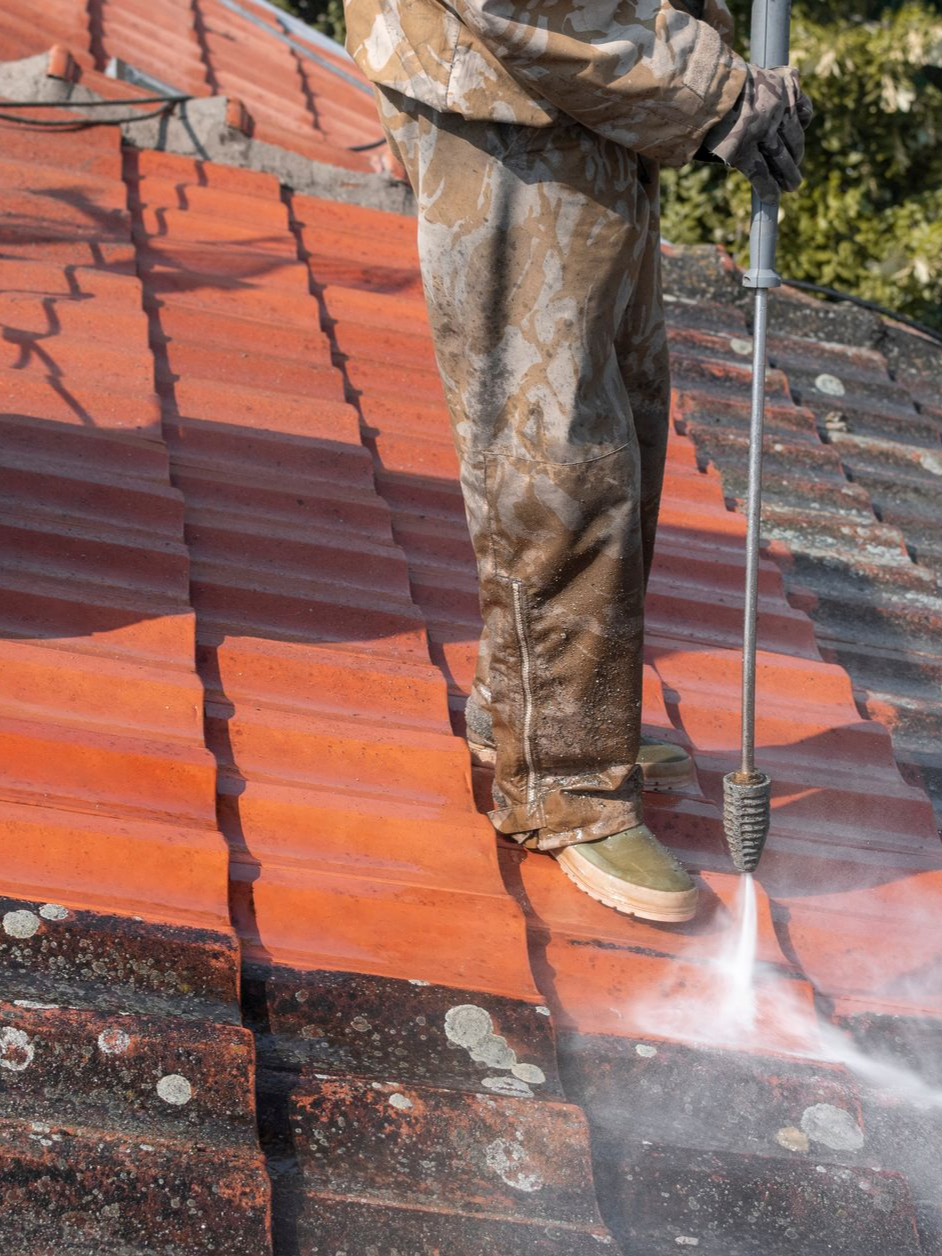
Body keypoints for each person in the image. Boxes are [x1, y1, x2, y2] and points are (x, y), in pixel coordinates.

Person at [344, 0, 812, 923]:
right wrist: (709, 88)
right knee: (561, 451)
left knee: (623, 417)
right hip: (511, 85)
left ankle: (533, 714)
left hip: (584, 83)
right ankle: (565, 784)